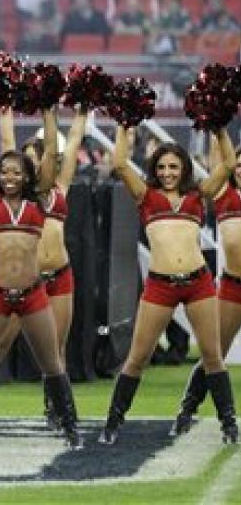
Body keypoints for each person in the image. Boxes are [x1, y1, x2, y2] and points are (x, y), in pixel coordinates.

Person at [0, 107, 82, 449]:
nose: (9, 176)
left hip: (34, 295)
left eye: (16, 172)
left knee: (52, 362)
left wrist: (49, 110)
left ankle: (69, 427)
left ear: (28, 176)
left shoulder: (39, 201)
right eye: (4, 171)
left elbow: (52, 151)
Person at [100, 127, 237, 445]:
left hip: (198, 283)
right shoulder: (145, 196)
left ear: (184, 168)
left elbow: (228, 164)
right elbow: (120, 163)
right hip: (160, 287)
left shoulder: (198, 195)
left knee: (213, 355)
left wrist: (218, 129)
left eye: (174, 166)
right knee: (137, 357)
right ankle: (113, 422)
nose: (167, 172)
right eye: (161, 167)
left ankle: (228, 425)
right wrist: (124, 127)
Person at [0, 106, 88, 424]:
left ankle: (58, 412)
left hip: (59, 277)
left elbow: (70, 143)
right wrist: (3, 108)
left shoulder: (59, 188)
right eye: (24, 160)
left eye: (36, 159)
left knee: (56, 350)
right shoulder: (16, 198)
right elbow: (5, 143)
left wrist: (82, 110)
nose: (29, 166)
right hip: (24, 282)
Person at [170, 138, 241, 439]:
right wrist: (216, 122)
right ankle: (187, 410)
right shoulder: (225, 195)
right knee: (214, 353)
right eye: (239, 163)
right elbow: (218, 159)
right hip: (232, 288)